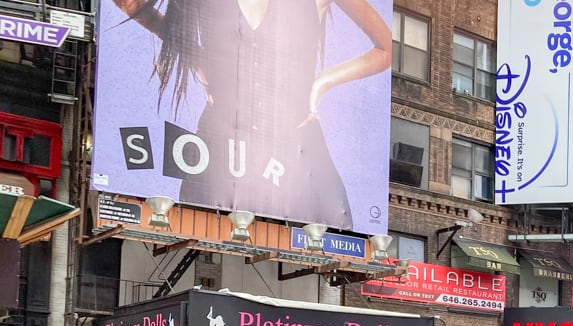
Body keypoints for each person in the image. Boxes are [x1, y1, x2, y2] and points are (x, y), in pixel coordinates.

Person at [110, 0, 391, 230]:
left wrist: (321, 83)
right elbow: (131, 4)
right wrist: (196, 57)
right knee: (200, 235)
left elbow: (385, 47)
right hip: (221, 150)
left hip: (297, 153)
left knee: (332, 245)